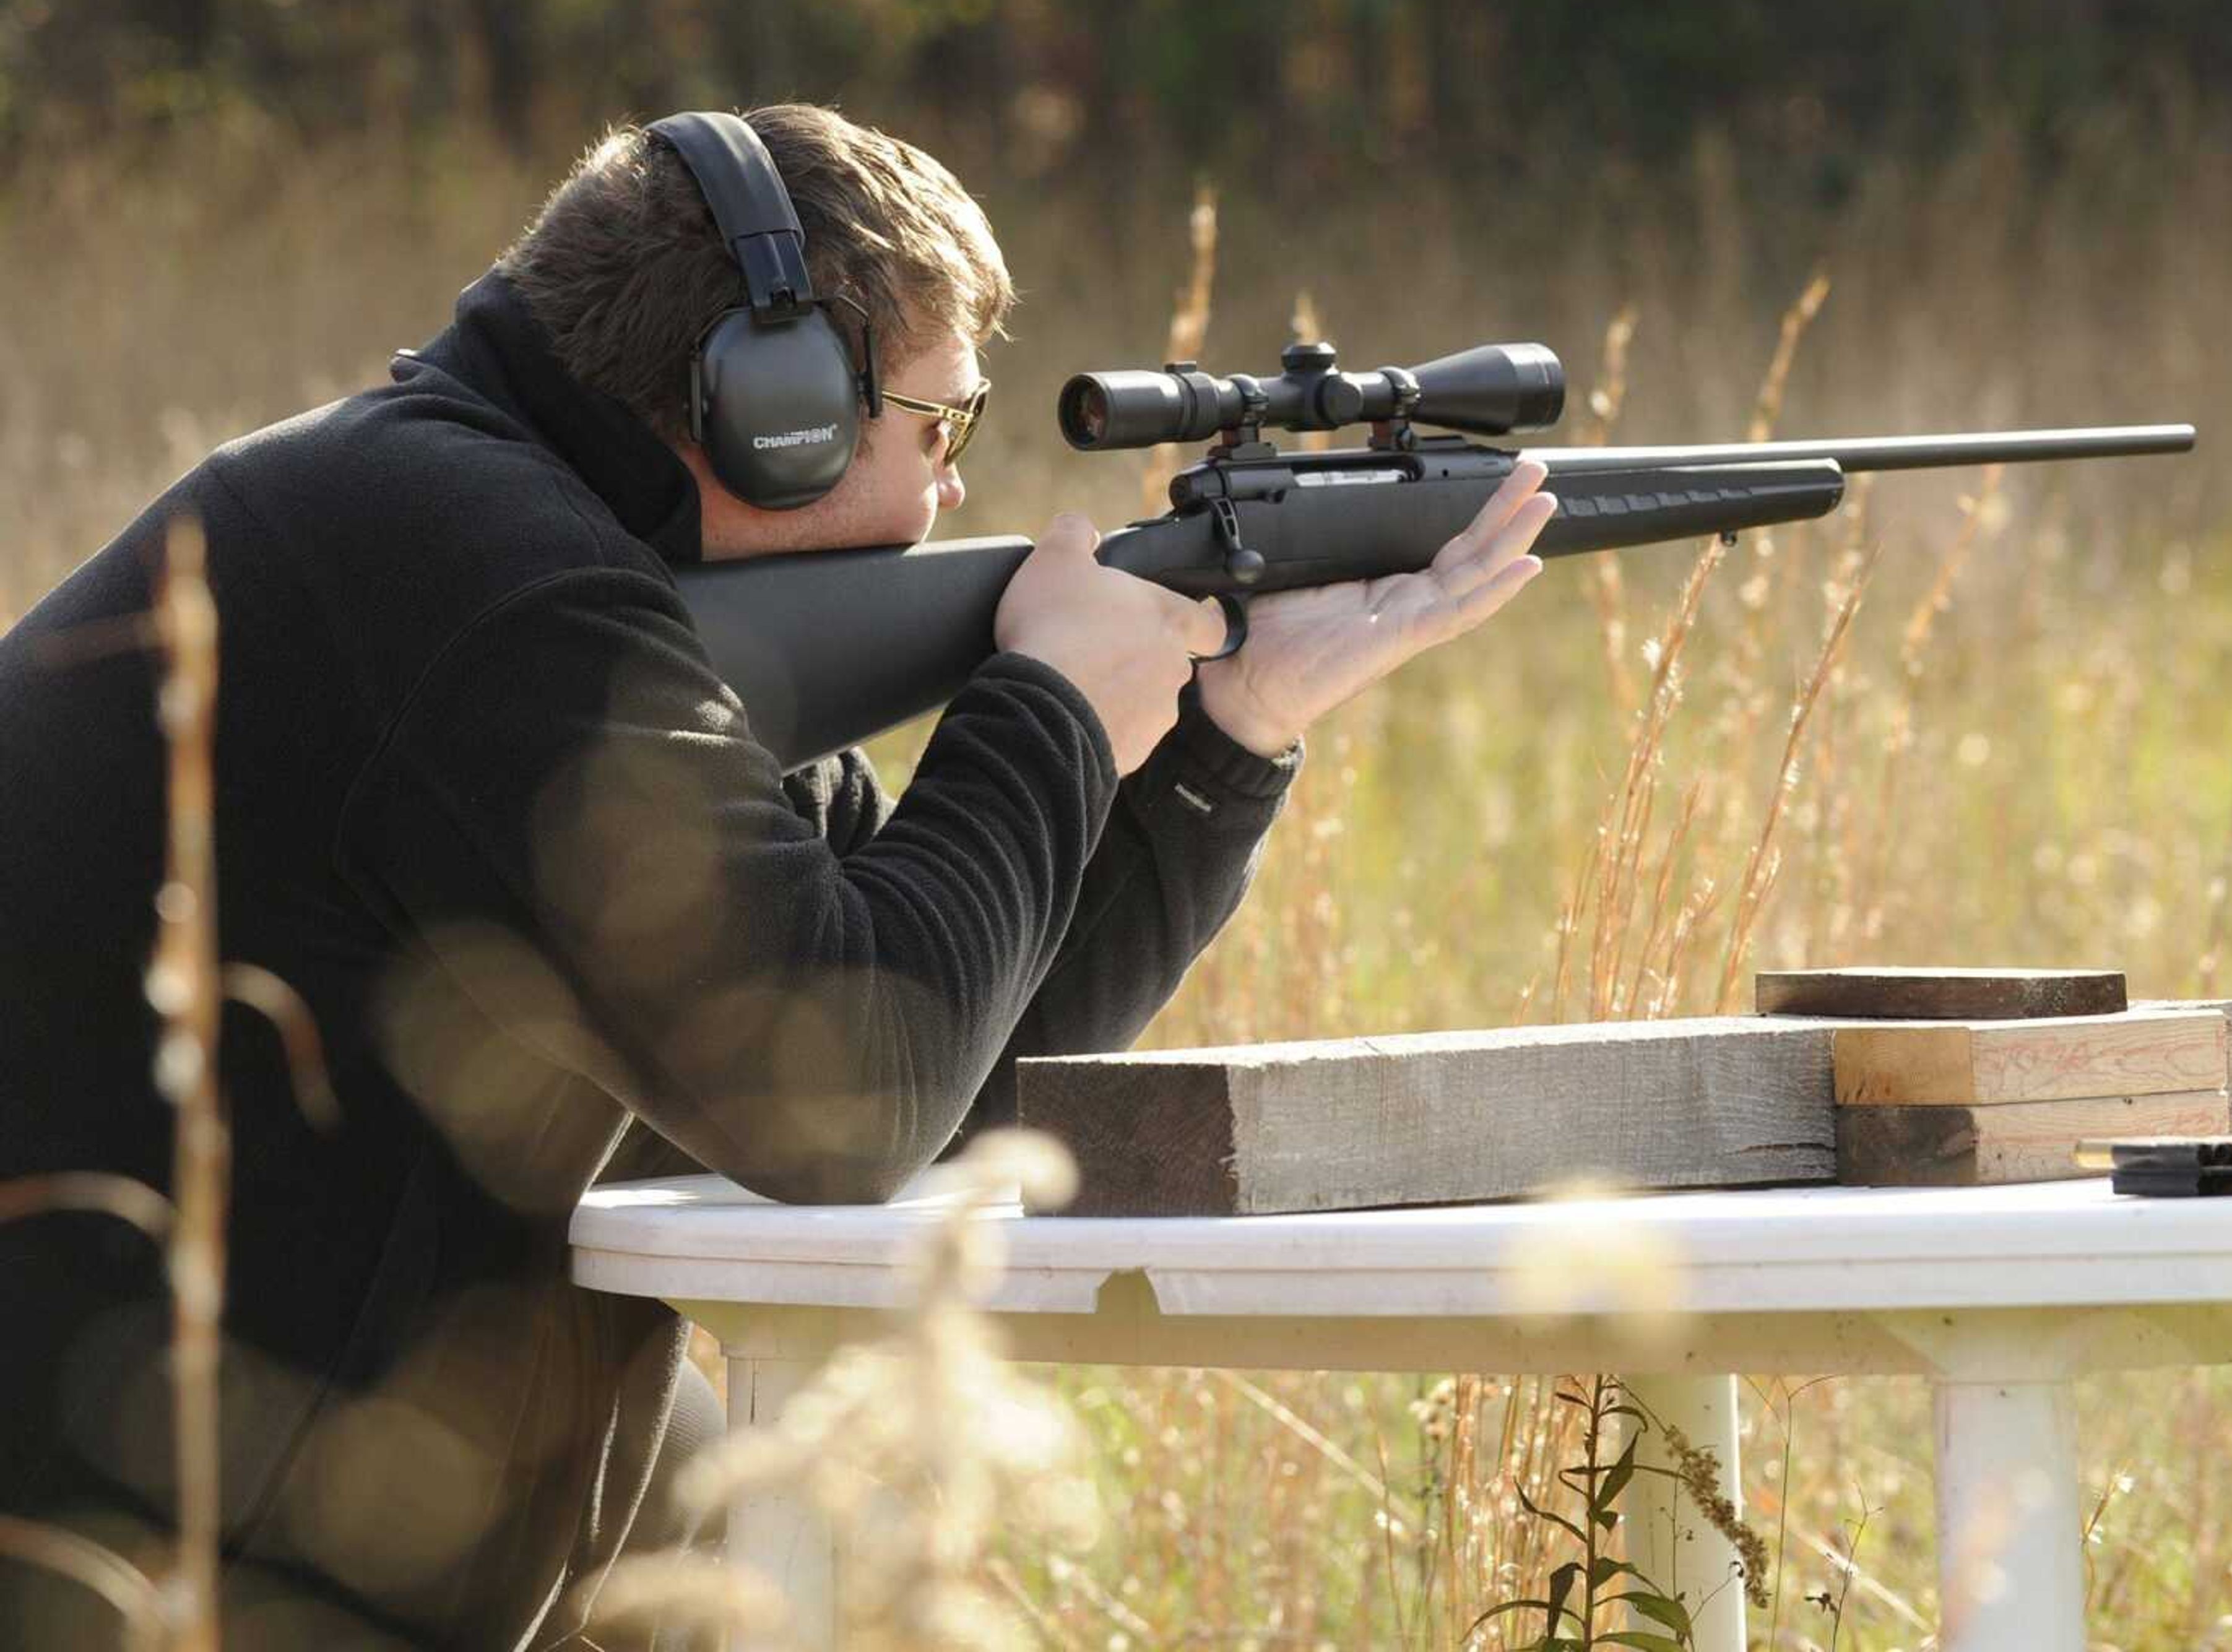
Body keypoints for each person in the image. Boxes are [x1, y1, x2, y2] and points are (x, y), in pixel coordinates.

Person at [0, 102, 1554, 1647]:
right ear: (774, 410)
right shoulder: (479, 579)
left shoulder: (538, 563)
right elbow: (848, 1103)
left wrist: (1228, 734)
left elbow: (957, 1085)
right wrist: (1052, 711)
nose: (954, 490)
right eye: (942, 424)